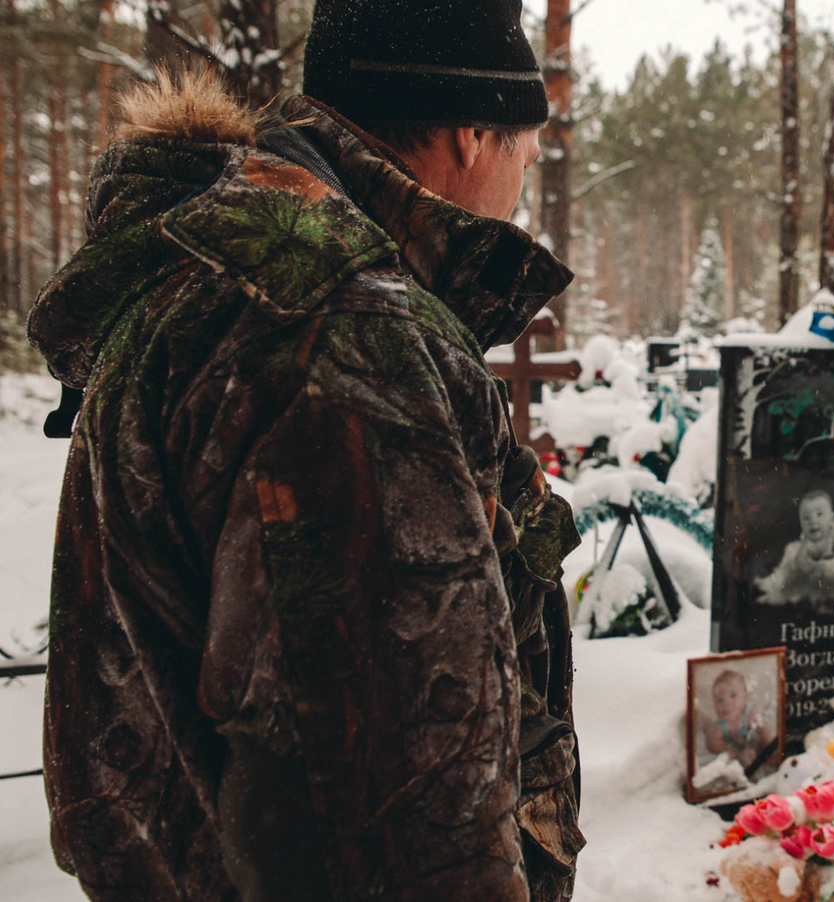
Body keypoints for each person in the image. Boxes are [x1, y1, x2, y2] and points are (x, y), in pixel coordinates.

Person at [25, 2, 583, 901]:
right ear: (474, 132)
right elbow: (400, 820)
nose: (522, 179)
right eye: (526, 148)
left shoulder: (220, 275)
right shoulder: (348, 338)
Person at [755, 489, 834, 605]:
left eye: (819, 514)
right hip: (806, 585)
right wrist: (805, 548)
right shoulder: (799, 547)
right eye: (806, 518)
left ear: (831, 518)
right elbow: (801, 568)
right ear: (800, 523)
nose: (813, 521)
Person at [704, 669, 771, 769]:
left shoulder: (749, 714)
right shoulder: (721, 724)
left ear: (745, 697)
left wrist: (765, 740)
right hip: (737, 749)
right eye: (719, 700)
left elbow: (762, 727)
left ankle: (770, 751)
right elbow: (713, 744)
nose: (726, 703)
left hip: (752, 741)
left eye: (733, 695)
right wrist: (733, 753)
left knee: (763, 729)